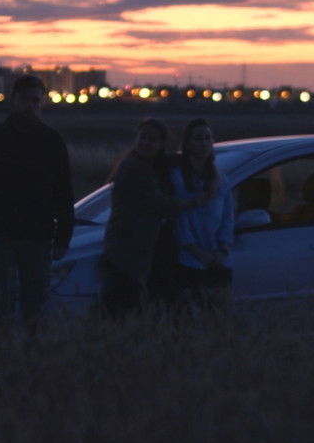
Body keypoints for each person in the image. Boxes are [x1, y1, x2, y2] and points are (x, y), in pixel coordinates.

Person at [0, 75, 74, 327]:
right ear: (13, 100)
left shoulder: (52, 141)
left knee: (35, 304)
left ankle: (31, 354)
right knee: (0, 303)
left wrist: (62, 238)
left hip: (38, 236)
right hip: (0, 232)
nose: (31, 105)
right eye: (25, 100)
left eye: (36, 100)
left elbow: (63, 192)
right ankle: (3, 352)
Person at [98, 119, 213, 319]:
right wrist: (195, 201)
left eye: (153, 140)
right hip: (129, 249)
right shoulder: (134, 168)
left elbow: (175, 160)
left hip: (146, 247)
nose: (146, 143)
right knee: (126, 305)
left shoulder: (154, 164)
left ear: (161, 144)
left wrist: (208, 165)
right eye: (143, 138)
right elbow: (158, 205)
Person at [170, 118, 236, 312]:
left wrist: (222, 250)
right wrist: (198, 253)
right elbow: (179, 220)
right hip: (190, 261)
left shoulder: (220, 179)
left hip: (218, 259)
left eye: (208, 138)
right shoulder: (177, 178)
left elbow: (227, 217)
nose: (204, 143)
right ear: (188, 143)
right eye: (198, 138)